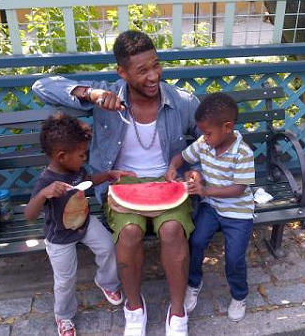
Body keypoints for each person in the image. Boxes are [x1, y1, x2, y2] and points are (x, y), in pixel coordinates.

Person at [32, 30, 201, 336]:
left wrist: (195, 170)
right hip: (121, 184)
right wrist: (88, 93)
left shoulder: (182, 102)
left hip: (168, 182)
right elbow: (41, 85)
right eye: (142, 71)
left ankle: (177, 313)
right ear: (122, 73)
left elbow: (206, 140)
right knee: (130, 233)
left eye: (156, 66)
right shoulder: (106, 96)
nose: (153, 76)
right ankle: (134, 308)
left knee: (173, 230)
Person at [24, 113, 136, 336]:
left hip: (84, 223)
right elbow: (29, 214)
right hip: (60, 237)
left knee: (108, 247)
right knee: (65, 280)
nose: (85, 158)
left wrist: (110, 174)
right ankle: (63, 316)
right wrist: (44, 195)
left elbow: (90, 180)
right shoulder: (46, 181)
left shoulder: (76, 169)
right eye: (82, 155)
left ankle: (106, 282)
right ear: (61, 156)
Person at [165, 92, 255, 322]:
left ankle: (239, 295)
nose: (203, 138)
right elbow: (182, 157)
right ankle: (194, 282)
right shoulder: (204, 144)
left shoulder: (243, 153)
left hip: (238, 212)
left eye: (207, 133)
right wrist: (173, 167)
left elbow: (238, 189)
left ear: (227, 127)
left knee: (234, 258)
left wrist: (205, 191)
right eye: (202, 133)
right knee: (195, 242)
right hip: (212, 207)